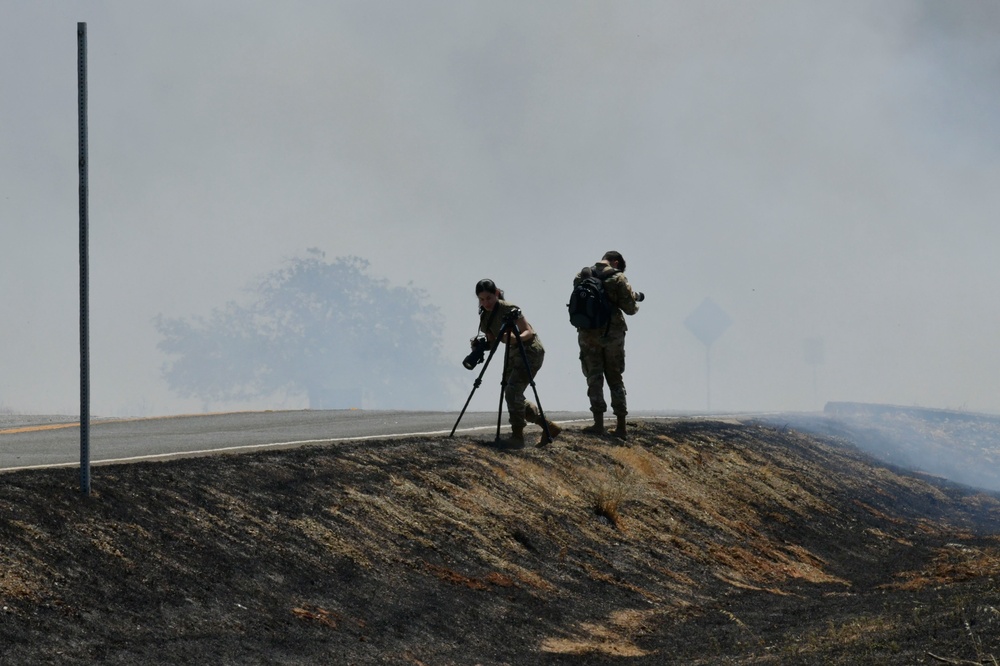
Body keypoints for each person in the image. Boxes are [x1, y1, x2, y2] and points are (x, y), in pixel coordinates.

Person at [473, 279, 561, 447]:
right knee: (511, 390)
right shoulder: (485, 316)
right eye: (482, 299)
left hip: (529, 350)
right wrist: (480, 346)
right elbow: (493, 342)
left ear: (497, 293)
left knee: (513, 390)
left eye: (489, 298)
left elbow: (529, 331)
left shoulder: (509, 309)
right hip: (513, 353)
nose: (486, 303)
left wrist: (515, 339)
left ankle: (517, 437)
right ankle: (547, 426)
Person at [574, 251, 641, 439]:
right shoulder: (618, 278)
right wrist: (634, 298)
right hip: (612, 334)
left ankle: (598, 423)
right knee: (615, 376)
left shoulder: (582, 275)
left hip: (587, 334)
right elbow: (630, 309)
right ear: (616, 262)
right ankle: (621, 426)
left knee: (593, 376)